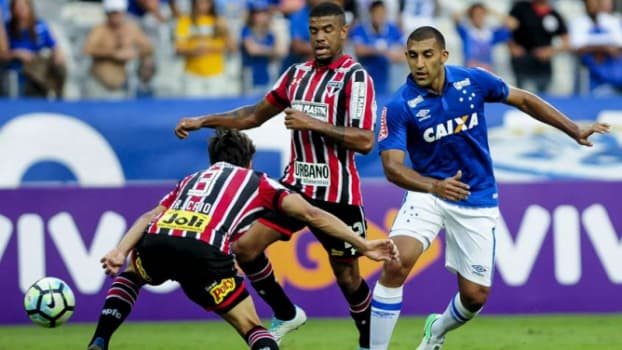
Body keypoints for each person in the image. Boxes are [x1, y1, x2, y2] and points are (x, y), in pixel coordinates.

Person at [369, 26, 610, 350]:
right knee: (396, 262)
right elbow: (392, 167)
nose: (419, 63)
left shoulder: (473, 82)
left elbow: (523, 99)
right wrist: (434, 186)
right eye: (412, 56)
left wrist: (572, 129)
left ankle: (436, 331)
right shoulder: (400, 105)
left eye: (427, 55)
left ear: (444, 55)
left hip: (476, 197)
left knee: (474, 297)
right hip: (428, 192)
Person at [175, 3, 377, 349]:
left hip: (338, 195)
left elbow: (365, 141)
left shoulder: (356, 78)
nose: (320, 38)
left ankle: (370, 340)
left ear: (343, 32)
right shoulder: (296, 75)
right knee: (245, 248)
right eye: (314, 31)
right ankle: (285, 312)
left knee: (347, 277)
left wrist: (311, 122)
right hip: (295, 186)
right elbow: (253, 115)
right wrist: (203, 121)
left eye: (328, 30)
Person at [88, 129, 397, 350]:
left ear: (213, 161)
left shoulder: (190, 180)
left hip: (157, 243)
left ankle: (100, 340)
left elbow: (146, 218)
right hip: (207, 255)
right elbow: (312, 214)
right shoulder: (259, 182)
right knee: (251, 328)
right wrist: (364, 244)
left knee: (131, 275)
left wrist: (119, 250)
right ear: (249, 162)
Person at [83, 0, 154, 99]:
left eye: (119, 12)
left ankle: (143, 92)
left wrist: (134, 53)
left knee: (148, 62)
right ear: (107, 13)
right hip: (107, 71)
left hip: (129, 69)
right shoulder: (100, 30)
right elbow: (87, 49)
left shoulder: (131, 28)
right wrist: (113, 54)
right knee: (107, 71)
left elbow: (148, 47)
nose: (116, 16)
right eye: (113, 13)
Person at [508, 0, 570, 94]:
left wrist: (550, 51)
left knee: (542, 98)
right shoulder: (521, 8)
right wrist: (513, 46)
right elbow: (506, 28)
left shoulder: (554, 15)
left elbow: (566, 42)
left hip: (543, 64)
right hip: (522, 60)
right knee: (522, 95)